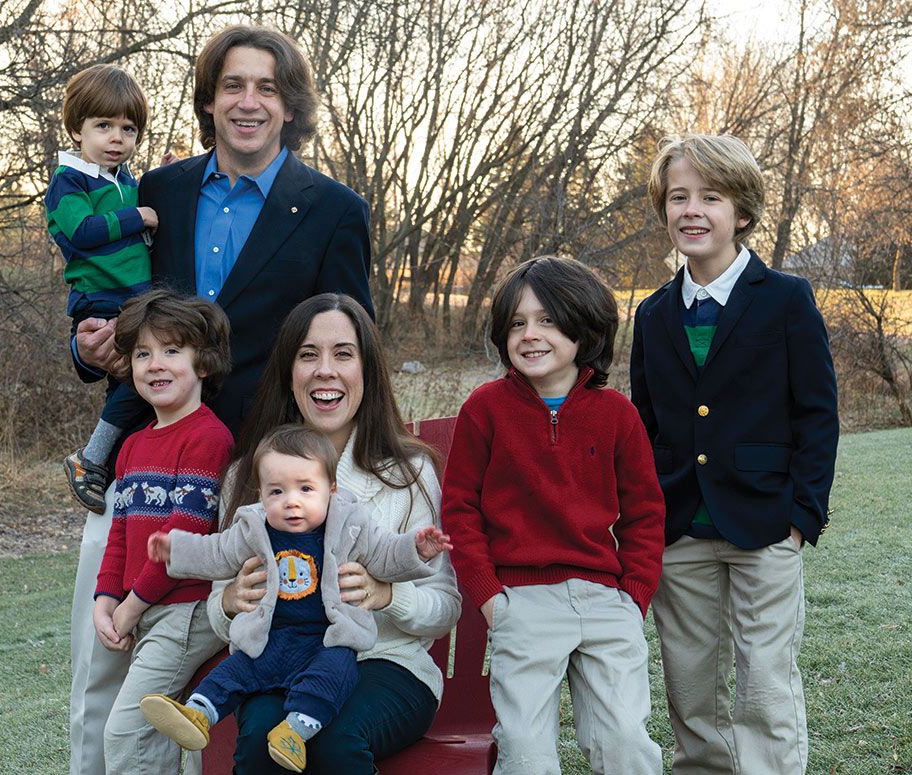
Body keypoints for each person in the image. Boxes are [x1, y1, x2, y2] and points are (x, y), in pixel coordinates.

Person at [66, 25, 374, 775]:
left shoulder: (333, 208)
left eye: (267, 87)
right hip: (143, 461)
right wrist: (86, 342)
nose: (249, 101)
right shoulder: (159, 191)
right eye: (233, 85)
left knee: (193, 665)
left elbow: (349, 346)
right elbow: (103, 288)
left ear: (289, 104)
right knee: (102, 662)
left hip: (253, 480)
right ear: (208, 99)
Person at [630, 133, 839, 775]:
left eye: (710, 197)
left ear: (741, 212)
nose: (692, 210)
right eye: (678, 197)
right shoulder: (654, 314)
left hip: (766, 524)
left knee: (765, 687)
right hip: (681, 528)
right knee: (692, 691)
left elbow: (817, 413)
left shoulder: (785, 299)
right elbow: (645, 423)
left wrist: (803, 517)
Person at [207, 293, 461, 774]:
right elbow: (220, 616)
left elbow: (444, 609)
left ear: (367, 372)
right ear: (288, 372)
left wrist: (389, 595)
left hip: (389, 664)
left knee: (331, 739)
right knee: (263, 740)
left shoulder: (408, 474)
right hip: (281, 664)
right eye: (308, 355)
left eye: (343, 354)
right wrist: (229, 602)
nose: (325, 370)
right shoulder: (249, 478)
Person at [442, 256, 666, 775]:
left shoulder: (617, 414)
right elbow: (460, 508)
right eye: (517, 323)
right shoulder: (485, 408)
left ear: (583, 325)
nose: (530, 334)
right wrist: (491, 599)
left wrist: (634, 596)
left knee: (626, 744)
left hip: (605, 601)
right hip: (520, 602)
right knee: (524, 752)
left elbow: (645, 512)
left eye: (546, 319)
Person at [140, 424, 452, 773]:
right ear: (261, 493)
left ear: (332, 491)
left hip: (332, 643)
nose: (291, 501)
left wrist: (416, 552)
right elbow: (216, 553)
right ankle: (198, 713)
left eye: (306, 489)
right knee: (239, 669)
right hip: (275, 640)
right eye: (277, 491)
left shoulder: (351, 524)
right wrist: (178, 550)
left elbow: (386, 554)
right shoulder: (254, 529)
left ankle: (296, 728)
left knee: (331, 679)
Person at [91, 289, 232, 775]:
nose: (156, 364)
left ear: (204, 363)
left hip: (183, 612)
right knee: (157, 736)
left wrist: (130, 608)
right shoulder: (130, 446)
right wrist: (106, 598)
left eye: (173, 351)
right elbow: (120, 535)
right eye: (143, 353)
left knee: (129, 731)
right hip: (146, 608)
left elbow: (182, 543)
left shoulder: (208, 438)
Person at [45, 64, 158, 514]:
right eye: (104, 126)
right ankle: (90, 459)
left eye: (128, 129)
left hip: (132, 299)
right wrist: (140, 216)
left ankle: (105, 462)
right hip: (102, 300)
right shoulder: (69, 180)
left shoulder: (123, 179)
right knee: (137, 378)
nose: (117, 138)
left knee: (134, 384)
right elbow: (84, 230)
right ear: (77, 129)